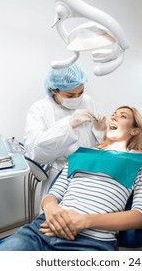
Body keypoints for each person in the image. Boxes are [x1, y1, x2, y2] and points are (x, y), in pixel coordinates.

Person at [0, 106, 142, 251]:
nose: (114, 116)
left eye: (122, 116)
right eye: (113, 114)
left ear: (135, 130)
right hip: (42, 230)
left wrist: (84, 221)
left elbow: (141, 216)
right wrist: (51, 209)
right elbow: (53, 194)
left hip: (91, 242)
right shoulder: (82, 153)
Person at [24, 64, 107, 197]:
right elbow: (36, 150)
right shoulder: (40, 108)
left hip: (90, 171)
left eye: (81, 92)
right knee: (57, 215)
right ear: (53, 90)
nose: (77, 98)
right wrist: (68, 125)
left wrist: (100, 130)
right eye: (70, 95)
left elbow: (98, 143)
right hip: (60, 175)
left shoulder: (87, 101)